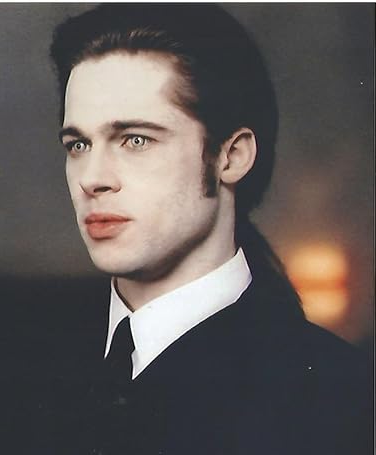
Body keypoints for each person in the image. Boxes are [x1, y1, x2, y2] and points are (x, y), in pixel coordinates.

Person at [37, 4, 372, 455]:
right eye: (78, 144)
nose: (92, 178)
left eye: (135, 140)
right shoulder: (19, 368)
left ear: (231, 157)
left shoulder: (337, 396)